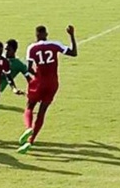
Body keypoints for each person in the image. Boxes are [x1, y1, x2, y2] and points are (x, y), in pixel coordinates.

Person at [17, 25, 78, 154]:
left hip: (39, 82)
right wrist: (71, 35)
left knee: (29, 106)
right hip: (53, 83)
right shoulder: (54, 44)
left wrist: (36, 76)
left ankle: (28, 128)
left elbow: (28, 68)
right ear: (46, 34)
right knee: (42, 112)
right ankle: (31, 141)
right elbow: (74, 53)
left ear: (36, 35)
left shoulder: (32, 48)